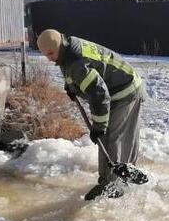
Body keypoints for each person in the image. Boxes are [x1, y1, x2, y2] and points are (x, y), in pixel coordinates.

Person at [36, 29, 144, 200]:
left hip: (125, 90)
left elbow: (99, 95)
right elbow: (76, 69)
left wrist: (98, 127)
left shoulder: (74, 61)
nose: (49, 58)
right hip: (116, 87)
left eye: (50, 54)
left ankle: (113, 184)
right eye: (45, 55)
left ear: (58, 45)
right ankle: (114, 179)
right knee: (112, 136)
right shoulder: (67, 47)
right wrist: (72, 86)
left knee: (111, 137)